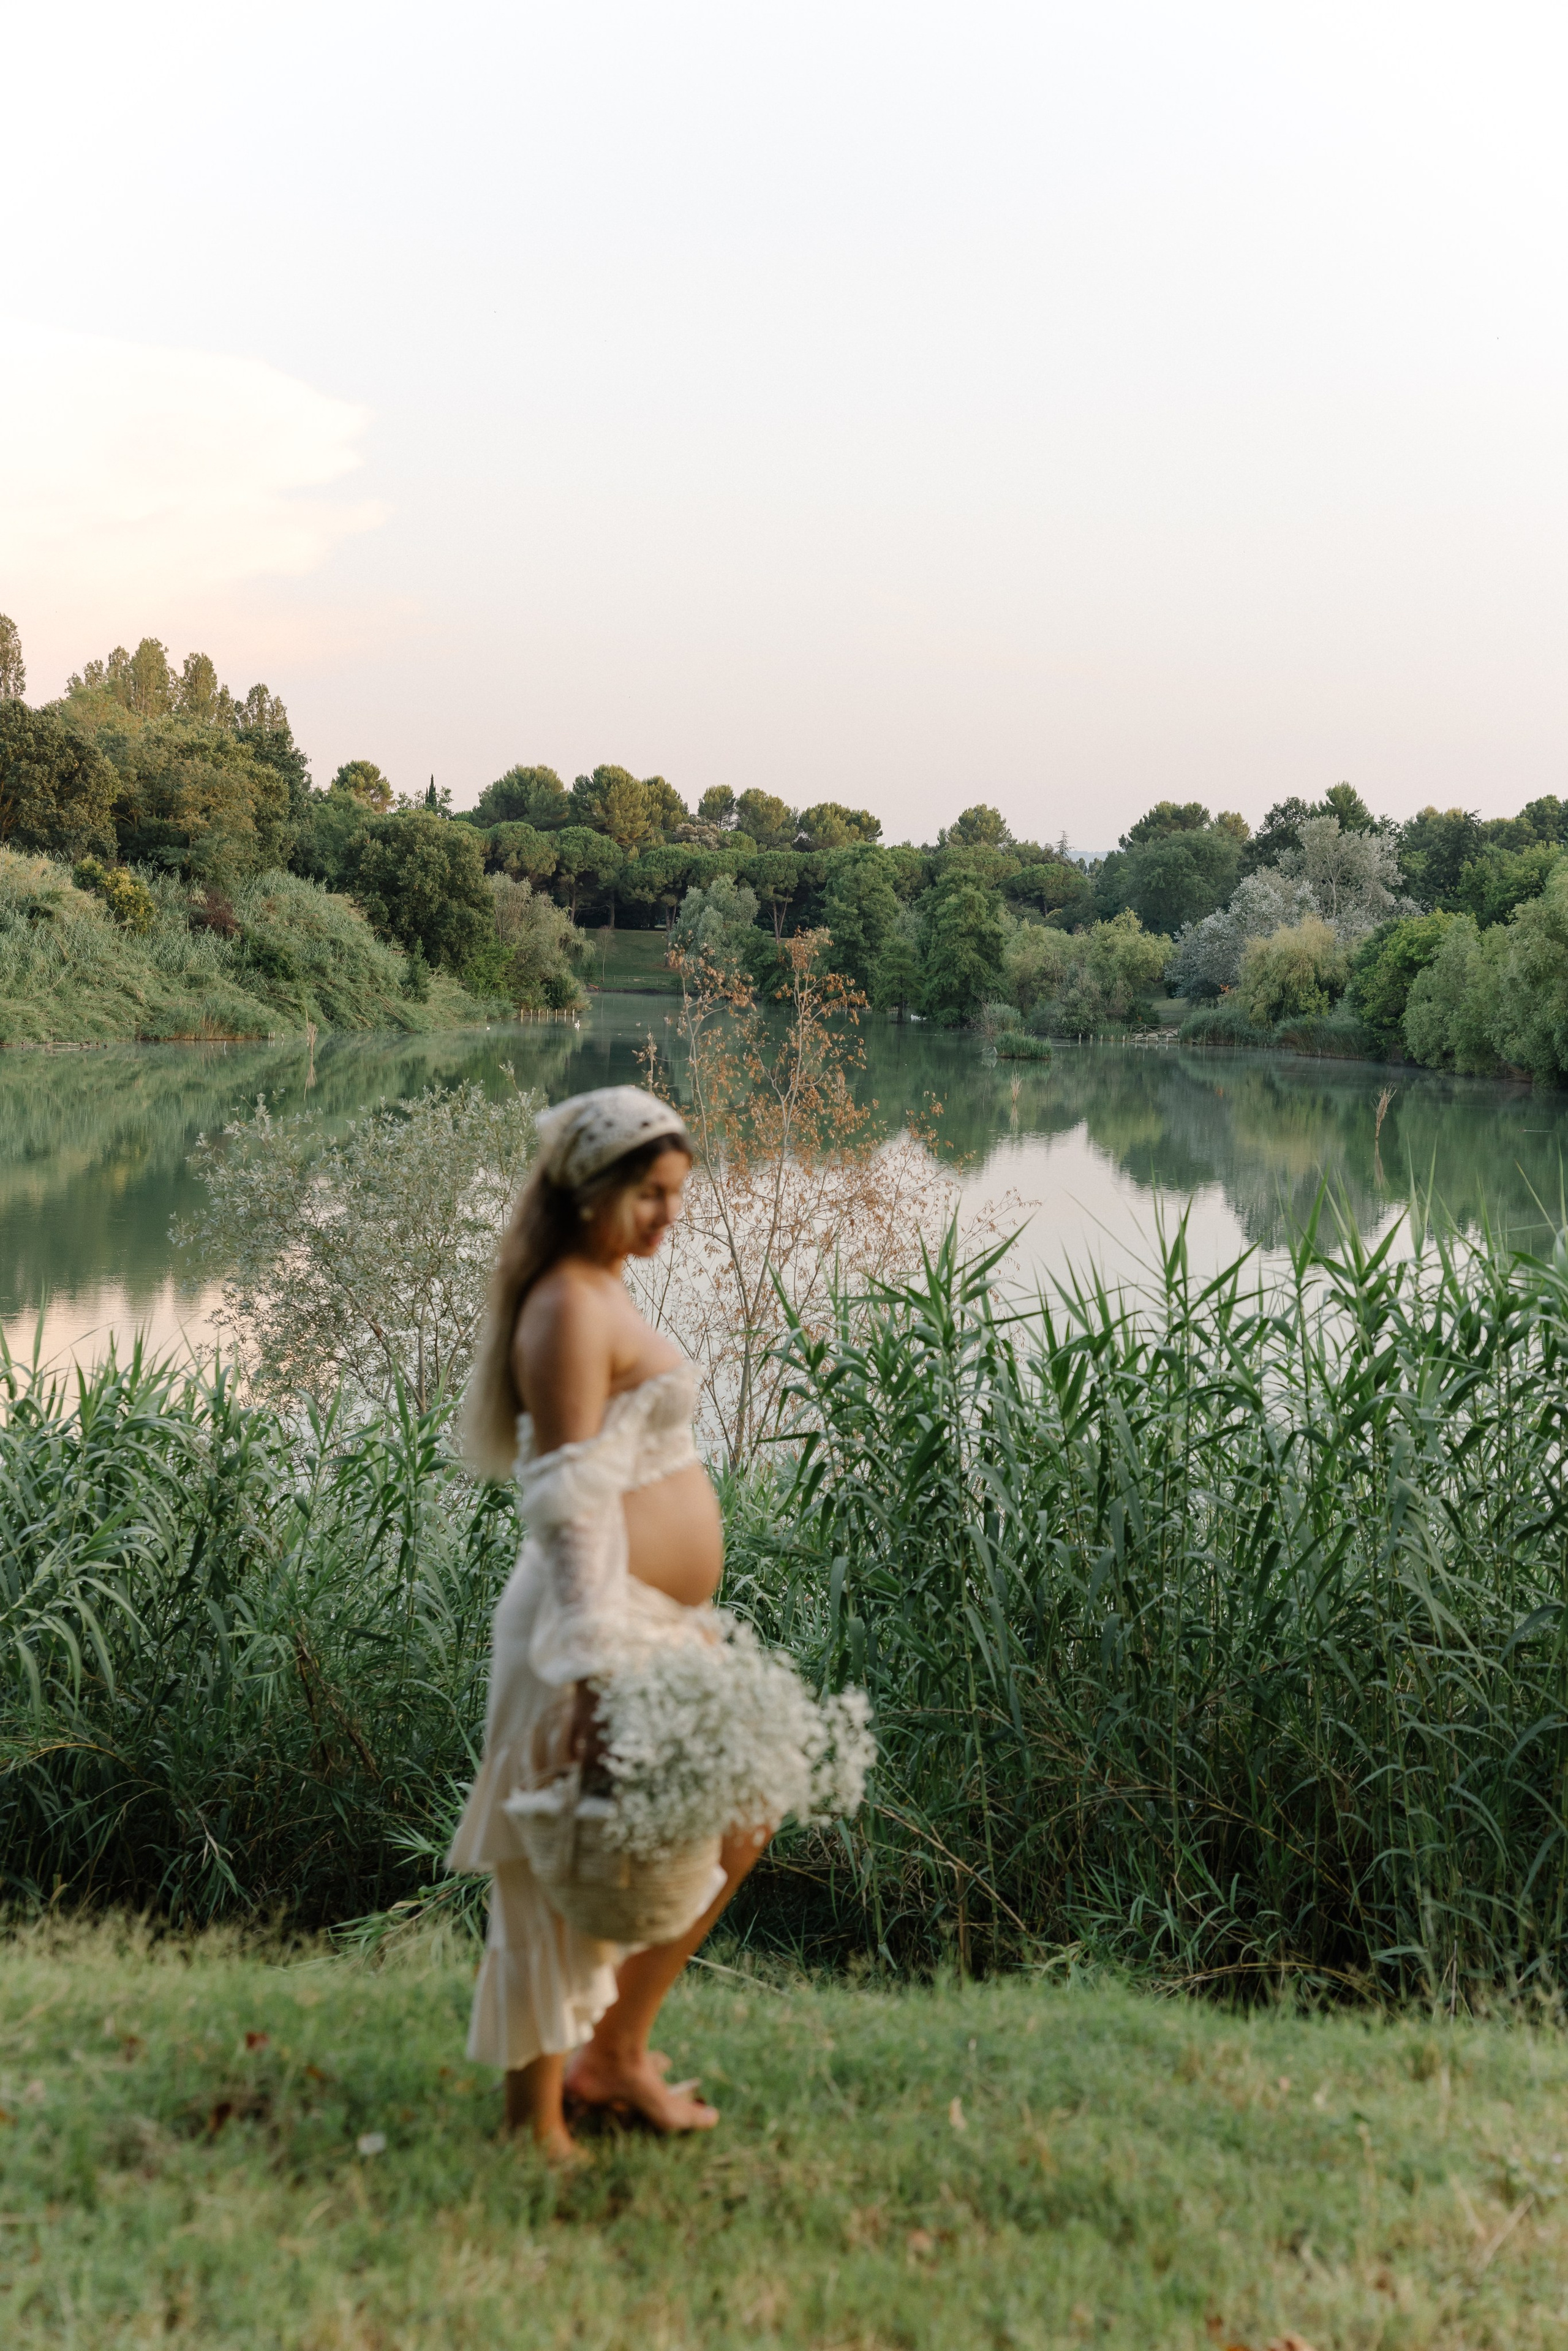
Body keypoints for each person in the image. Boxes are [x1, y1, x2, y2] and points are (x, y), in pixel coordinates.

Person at [450, 1084, 769, 2159]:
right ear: (591, 1190)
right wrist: (593, 1678)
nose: (668, 1217)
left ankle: (617, 2051)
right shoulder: (567, 1309)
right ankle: (532, 2126)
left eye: (676, 1195)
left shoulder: (603, 1286)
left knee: (742, 1810)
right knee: (557, 1861)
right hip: (587, 1625)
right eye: (650, 1196)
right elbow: (573, 1507)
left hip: (649, 1620)